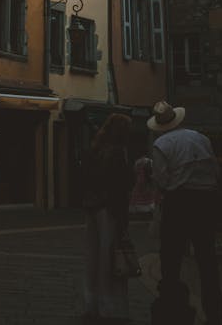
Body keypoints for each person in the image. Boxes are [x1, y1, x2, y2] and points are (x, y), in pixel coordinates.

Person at [147, 100, 222, 325]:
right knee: (207, 260)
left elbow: (161, 178)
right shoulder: (201, 138)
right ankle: (215, 314)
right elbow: (215, 170)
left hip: (178, 201)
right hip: (205, 200)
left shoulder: (161, 144)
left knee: (171, 258)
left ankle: (172, 310)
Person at [82, 112, 133, 323]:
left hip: (92, 206)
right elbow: (121, 186)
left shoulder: (95, 149)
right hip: (109, 208)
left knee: (93, 257)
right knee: (109, 258)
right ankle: (108, 307)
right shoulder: (118, 153)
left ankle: (91, 303)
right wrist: (123, 217)